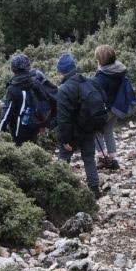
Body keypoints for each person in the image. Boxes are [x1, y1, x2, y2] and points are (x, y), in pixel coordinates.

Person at [55, 53, 101, 198]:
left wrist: (64, 139)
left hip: (73, 132)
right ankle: (94, 189)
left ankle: (59, 190)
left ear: (61, 71)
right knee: (89, 158)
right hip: (89, 128)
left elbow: (63, 119)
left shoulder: (64, 89)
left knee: (63, 159)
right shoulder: (90, 82)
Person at [0, 54, 57, 146]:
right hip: (35, 126)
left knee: (20, 151)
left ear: (13, 69)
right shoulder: (36, 80)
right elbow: (48, 100)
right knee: (32, 148)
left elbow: (6, 113)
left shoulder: (13, 88)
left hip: (19, 131)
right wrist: (45, 124)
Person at [92, 44, 128, 170]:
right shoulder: (120, 70)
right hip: (117, 107)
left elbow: (98, 95)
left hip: (106, 108)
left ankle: (102, 158)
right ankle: (113, 159)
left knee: (96, 131)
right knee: (108, 131)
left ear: (100, 60)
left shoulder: (102, 76)